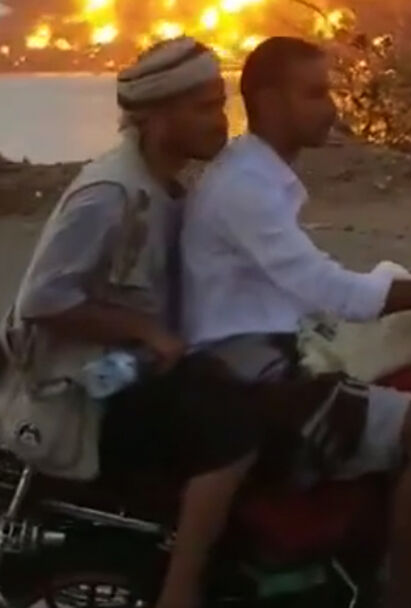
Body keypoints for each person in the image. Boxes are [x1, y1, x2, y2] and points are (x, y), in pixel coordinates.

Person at [181, 36, 411, 608]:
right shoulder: (245, 189)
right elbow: (335, 290)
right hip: (254, 379)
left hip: (275, 352)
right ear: (268, 101)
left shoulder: (258, 177)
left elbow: (317, 288)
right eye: (314, 94)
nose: (332, 106)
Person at [0, 38, 260, 608]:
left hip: (136, 372)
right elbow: (42, 299)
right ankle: (181, 589)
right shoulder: (110, 193)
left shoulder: (166, 187)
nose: (220, 121)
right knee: (238, 432)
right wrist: (144, 333)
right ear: (157, 117)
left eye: (220, 104)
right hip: (88, 392)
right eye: (204, 107)